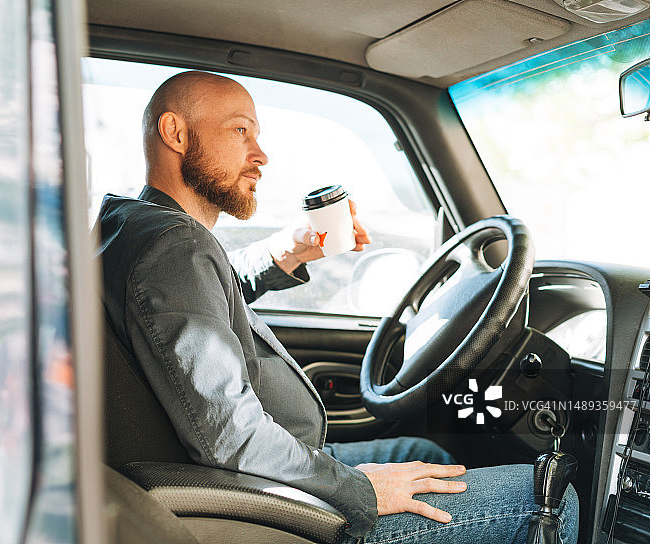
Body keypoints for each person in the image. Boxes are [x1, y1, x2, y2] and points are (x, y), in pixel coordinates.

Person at [96, 70, 579, 543]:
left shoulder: (135, 229)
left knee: (421, 451)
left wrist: (291, 250)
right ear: (175, 133)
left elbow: (203, 296)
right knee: (550, 500)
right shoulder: (176, 246)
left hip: (248, 480)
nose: (261, 155)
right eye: (240, 130)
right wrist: (360, 490)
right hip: (254, 505)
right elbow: (229, 436)